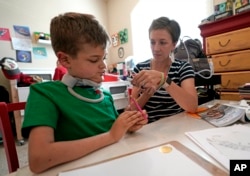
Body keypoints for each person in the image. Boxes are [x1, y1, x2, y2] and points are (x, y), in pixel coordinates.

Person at [21, 12, 148, 173]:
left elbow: (114, 130)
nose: (103, 66)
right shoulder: (45, 94)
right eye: (94, 60)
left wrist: (127, 126)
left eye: (104, 58)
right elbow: (39, 159)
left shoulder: (105, 96)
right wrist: (111, 136)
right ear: (65, 60)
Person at [129, 17, 198, 123]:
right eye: (152, 42)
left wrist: (164, 80)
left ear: (174, 45)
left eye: (162, 42)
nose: (156, 48)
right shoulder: (140, 69)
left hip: (176, 127)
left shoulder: (183, 68)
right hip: (148, 129)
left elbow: (192, 106)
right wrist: (148, 93)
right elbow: (131, 110)